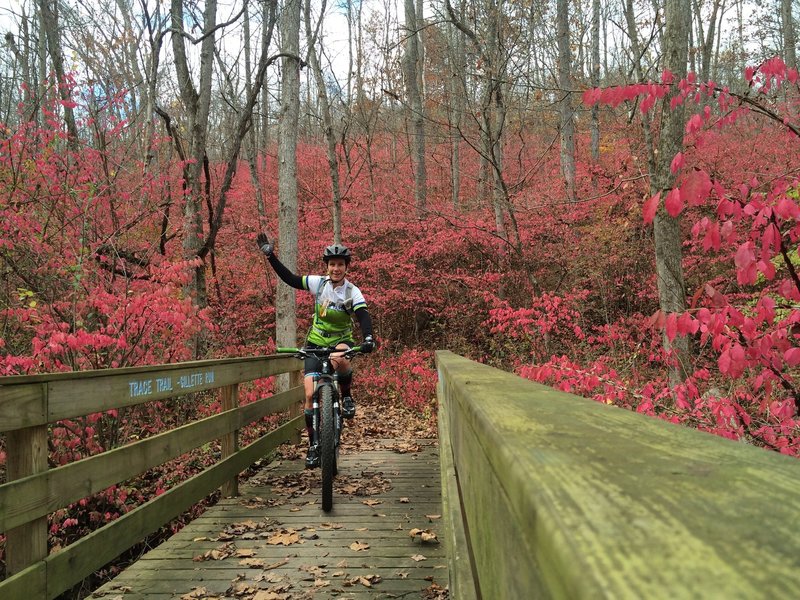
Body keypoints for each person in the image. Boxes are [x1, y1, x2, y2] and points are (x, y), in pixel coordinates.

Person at [257, 233, 375, 468]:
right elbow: (290, 278)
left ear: (346, 267)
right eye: (332, 264)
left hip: (341, 340)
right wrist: (270, 256)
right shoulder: (317, 283)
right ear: (327, 266)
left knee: (339, 358)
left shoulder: (352, 291)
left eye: (340, 265)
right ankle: (313, 444)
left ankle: (347, 396)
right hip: (315, 342)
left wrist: (369, 337)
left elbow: (363, 316)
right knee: (310, 395)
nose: (336, 268)